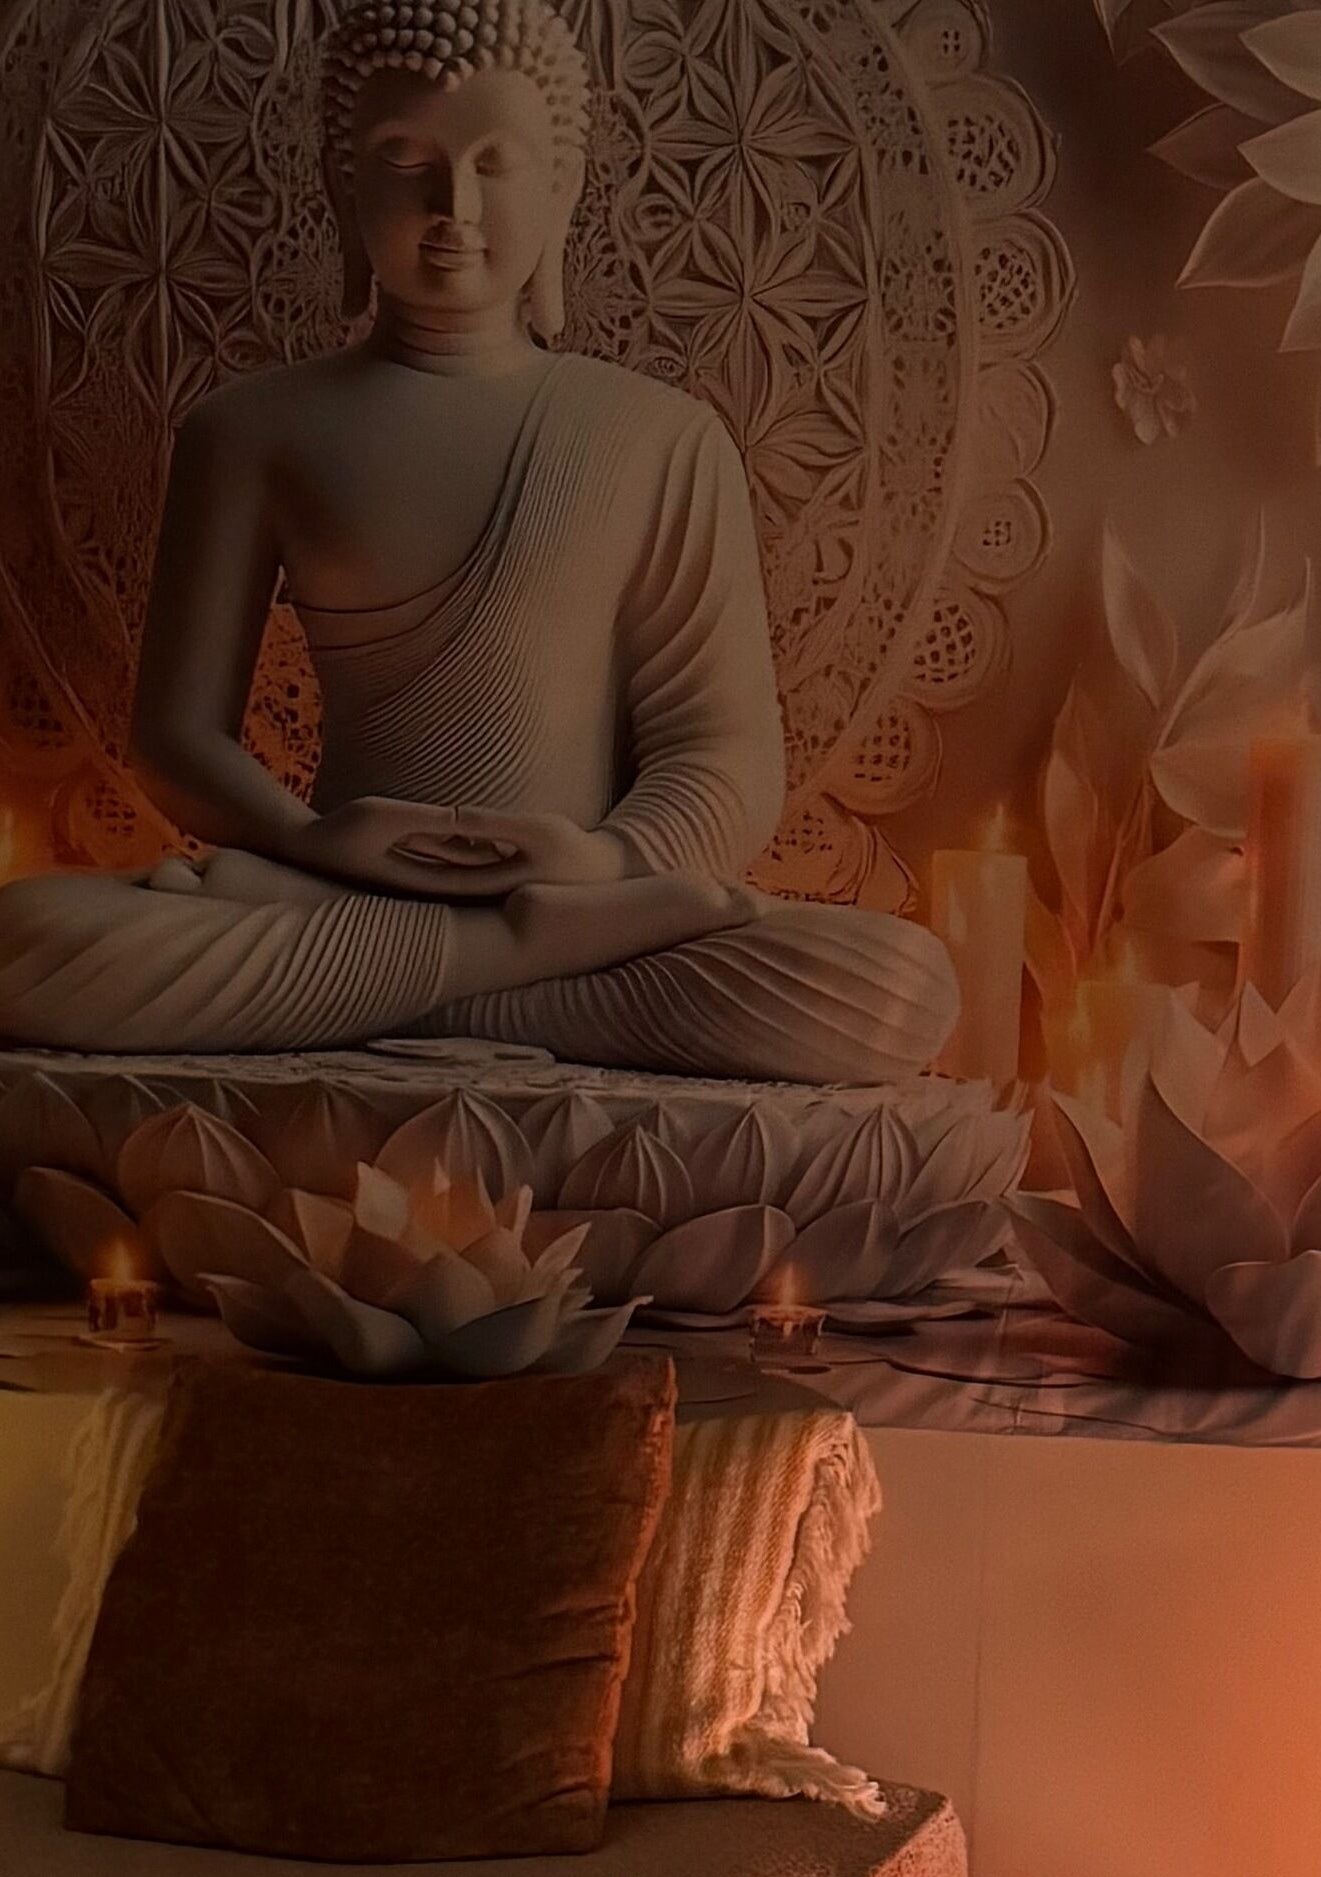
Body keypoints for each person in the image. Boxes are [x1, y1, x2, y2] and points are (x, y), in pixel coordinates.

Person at [0, 0, 958, 1086]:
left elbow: (725, 751)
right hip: (349, 895)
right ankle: (515, 965)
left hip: (566, 900)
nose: (452, 206)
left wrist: (609, 859)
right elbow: (178, 740)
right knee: (22, 939)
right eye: (402, 159)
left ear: (562, 192)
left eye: (496, 166)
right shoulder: (250, 431)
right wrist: (314, 842)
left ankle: (463, 966)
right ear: (339, 184)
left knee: (893, 986)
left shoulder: (659, 438)